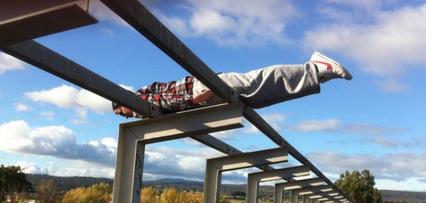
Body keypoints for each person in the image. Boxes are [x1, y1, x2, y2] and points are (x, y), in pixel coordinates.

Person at [113, 51, 352, 118]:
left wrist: (198, 96)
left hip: (201, 89)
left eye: (122, 113)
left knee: (254, 82)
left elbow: (162, 97)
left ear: (124, 101)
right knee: (261, 98)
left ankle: (316, 68)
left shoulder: (143, 97)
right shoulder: (147, 103)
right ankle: (319, 75)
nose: (126, 116)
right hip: (205, 96)